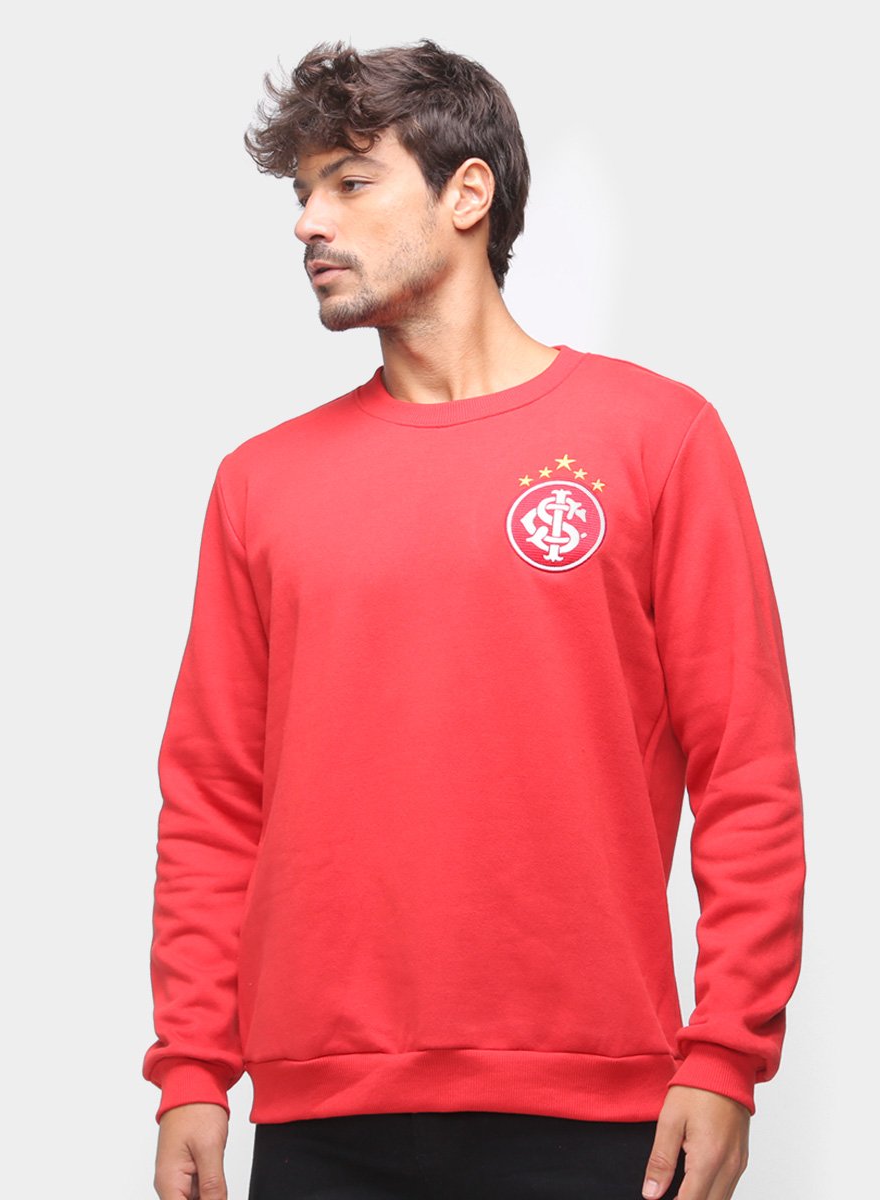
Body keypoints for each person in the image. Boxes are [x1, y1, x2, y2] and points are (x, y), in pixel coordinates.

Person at [143, 37, 807, 1200]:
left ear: (467, 193)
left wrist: (726, 1053)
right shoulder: (260, 485)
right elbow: (212, 799)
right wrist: (193, 1068)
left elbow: (744, 771)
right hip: (323, 1117)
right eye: (302, 192)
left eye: (349, 182)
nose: (308, 221)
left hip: (596, 1108)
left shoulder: (658, 440)